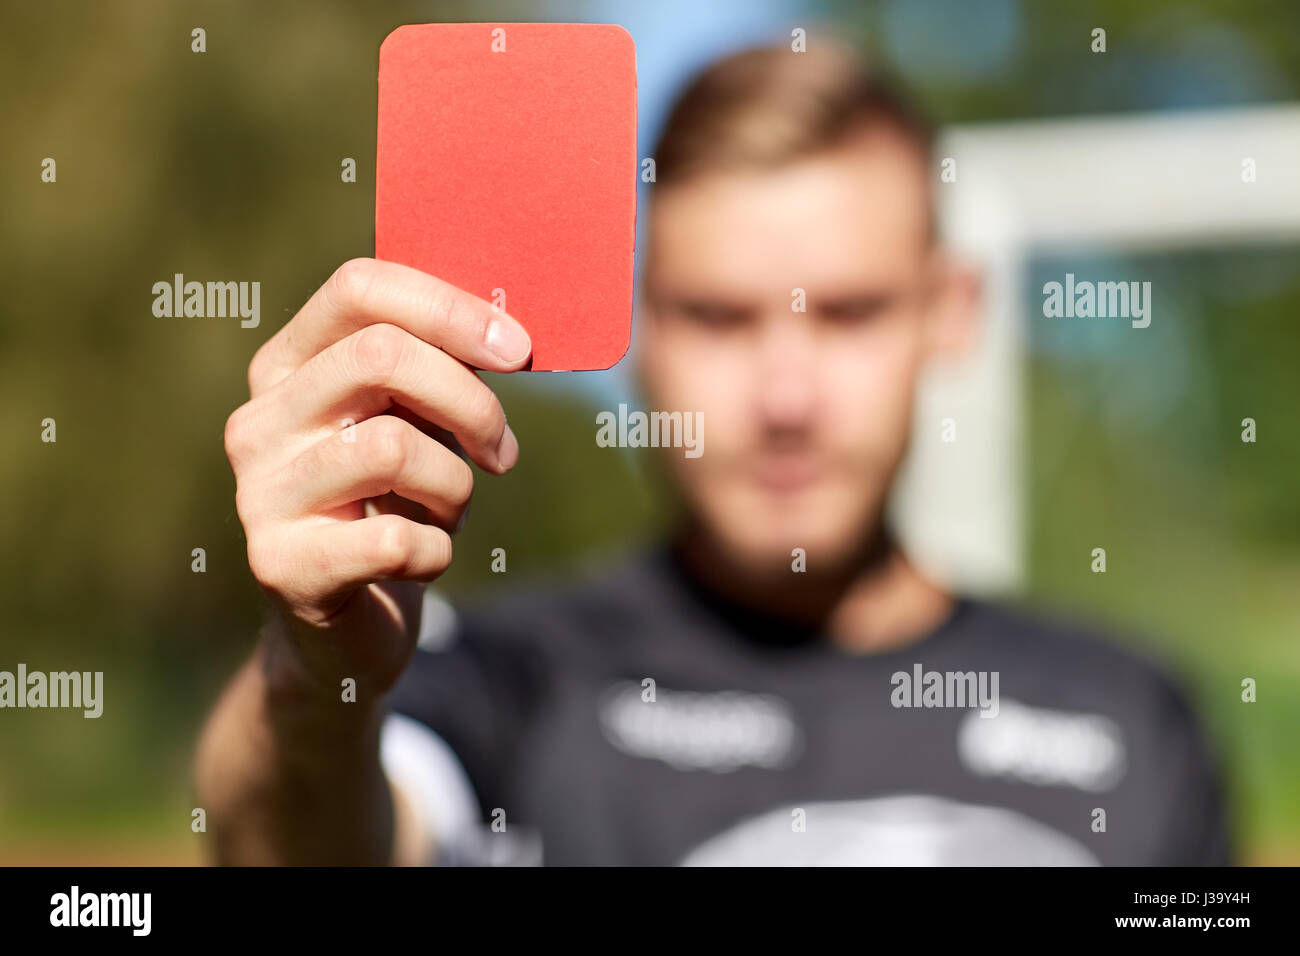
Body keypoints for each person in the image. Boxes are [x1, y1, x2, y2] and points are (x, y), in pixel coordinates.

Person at [195, 43, 1231, 866]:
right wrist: (312, 672)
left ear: (949, 310)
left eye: (847, 313)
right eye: (721, 317)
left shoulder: (1130, 716)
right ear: (638, 323)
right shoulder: (510, 683)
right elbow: (300, 847)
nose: (785, 396)